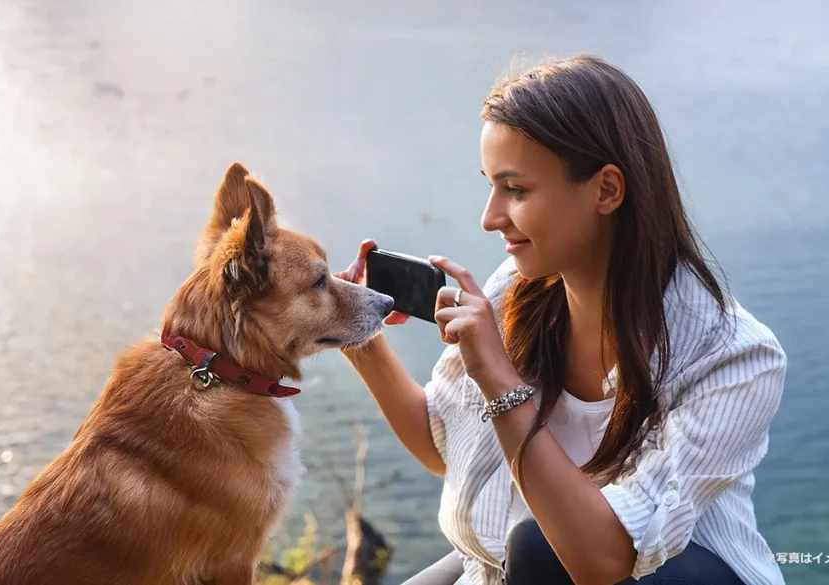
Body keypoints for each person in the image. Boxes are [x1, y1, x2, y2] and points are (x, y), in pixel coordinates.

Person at [334, 55, 786, 585]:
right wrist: (356, 333)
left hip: (662, 575)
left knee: (537, 545)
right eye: (490, 185)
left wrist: (497, 377)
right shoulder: (515, 292)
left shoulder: (735, 357)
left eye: (516, 189)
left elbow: (601, 561)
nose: (489, 217)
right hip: (507, 565)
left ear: (607, 190)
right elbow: (441, 450)